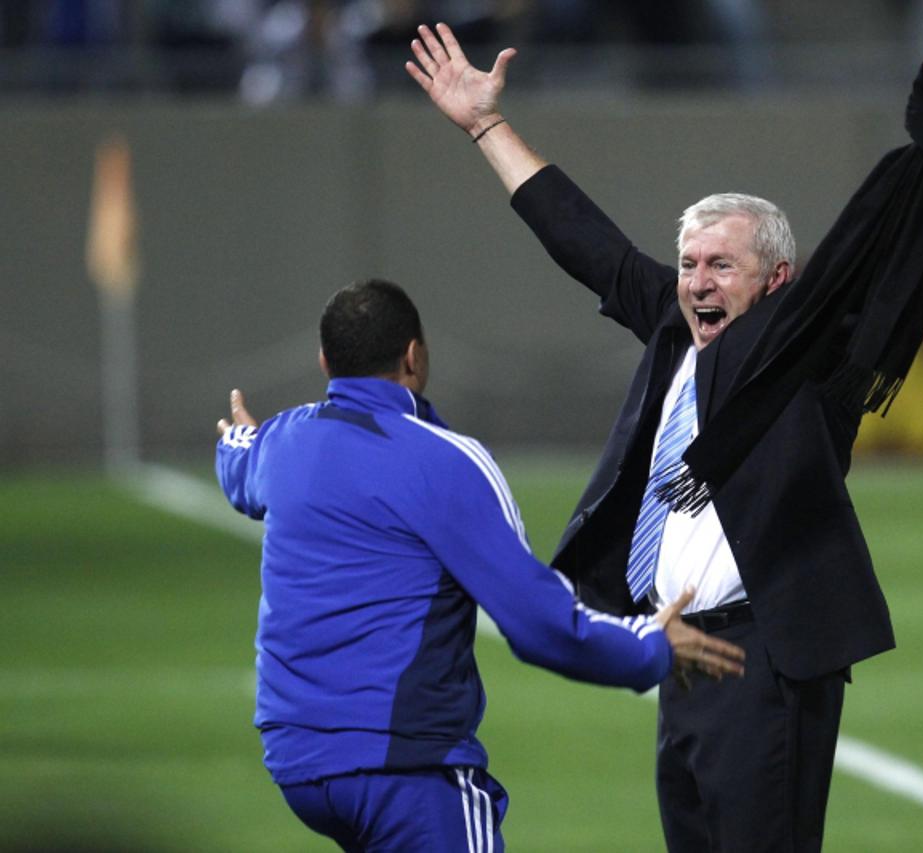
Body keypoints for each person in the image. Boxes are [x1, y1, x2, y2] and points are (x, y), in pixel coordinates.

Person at [406, 24, 923, 851]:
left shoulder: (807, 361)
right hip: (679, 653)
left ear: (777, 283)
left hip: (766, 655)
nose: (696, 282)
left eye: (721, 264)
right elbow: (587, 244)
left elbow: (873, 262)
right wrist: (484, 126)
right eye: (688, 263)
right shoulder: (677, 336)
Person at [214, 278, 745, 851]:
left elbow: (241, 466)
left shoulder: (281, 441)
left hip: (297, 763)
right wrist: (649, 645)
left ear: (324, 361)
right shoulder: (446, 462)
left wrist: (236, 441)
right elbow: (539, 625)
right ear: (415, 357)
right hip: (405, 766)